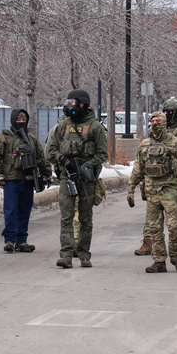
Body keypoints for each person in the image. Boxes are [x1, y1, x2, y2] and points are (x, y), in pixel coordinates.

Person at [45, 89, 108, 269]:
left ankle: (84, 255)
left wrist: (87, 165)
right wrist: (63, 159)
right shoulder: (62, 126)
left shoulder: (95, 127)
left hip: (86, 178)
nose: (69, 105)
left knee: (86, 218)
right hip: (67, 176)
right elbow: (51, 150)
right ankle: (65, 255)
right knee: (66, 216)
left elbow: (102, 154)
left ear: (82, 104)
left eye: (72, 102)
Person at [128, 111, 177, 273]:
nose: (155, 123)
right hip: (152, 191)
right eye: (153, 120)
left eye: (158, 120)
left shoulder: (176, 143)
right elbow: (138, 168)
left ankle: (176, 258)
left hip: (171, 191)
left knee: (174, 227)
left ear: (164, 123)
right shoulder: (145, 144)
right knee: (154, 228)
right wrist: (131, 189)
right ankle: (159, 261)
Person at [0, 108, 51, 253]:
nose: (21, 122)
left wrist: (46, 172)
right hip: (11, 180)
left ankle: (22, 240)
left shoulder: (31, 139)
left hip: (28, 180)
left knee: (24, 211)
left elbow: (41, 157)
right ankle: (10, 240)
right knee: (10, 210)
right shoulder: (3, 137)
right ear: (13, 120)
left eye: (24, 120)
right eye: (18, 120)